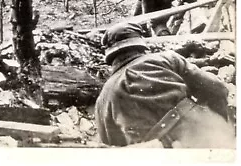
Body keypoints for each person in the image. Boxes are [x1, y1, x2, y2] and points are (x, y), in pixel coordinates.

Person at [95, 22, 235, 148]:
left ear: (110, 56)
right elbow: (217, 88)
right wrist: (218, 122)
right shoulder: (165, 59)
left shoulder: (102, 99)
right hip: (200, 134)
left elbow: (110, 147)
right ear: (140, 44)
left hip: (159, 156)